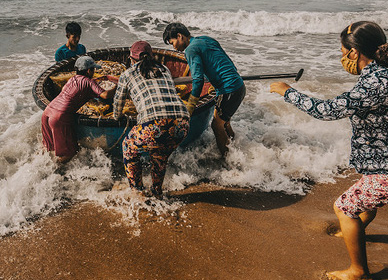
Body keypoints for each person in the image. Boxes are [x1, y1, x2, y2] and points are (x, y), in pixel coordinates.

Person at [269, 21, 388, 280]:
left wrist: (288, 92)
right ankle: (356, 229)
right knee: (361, 198)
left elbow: (327, 111)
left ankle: (359, 272)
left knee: (344, 208)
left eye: (342, 50)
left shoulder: (374, 83)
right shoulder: (386, 72)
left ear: (354, 53)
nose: (340, 56)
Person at [113, 41, 190, 197]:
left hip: (154, 124)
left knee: (128, 147)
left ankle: (138, 191)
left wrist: (117, 116)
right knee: (160, 154)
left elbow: (118, 105)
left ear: (131, 58)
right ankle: (156, 191)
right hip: (182, 122)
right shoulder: (164, 69)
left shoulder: (127, 74)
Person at [163, 23, 244, 156]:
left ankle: (227, 160)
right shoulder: (206, 39)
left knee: (216, 126)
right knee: (224, 121)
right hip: (238, 85)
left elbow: (198, 80)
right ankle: (236, 150)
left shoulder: (190, 50)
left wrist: (191, 105)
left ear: (179, 36)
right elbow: (225, 60)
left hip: (228, 90)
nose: (174, 47)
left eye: (172, 43)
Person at [42, 56, 115, 164]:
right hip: (60, 117)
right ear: (89, 71)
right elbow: (105, 95)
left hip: (47, 112)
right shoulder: (89, 82)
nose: (94, 72)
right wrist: (118, 87)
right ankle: (54, 171)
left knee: (48, 148)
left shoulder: (72, 79)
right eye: (93, 70)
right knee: (71, 152)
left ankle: (38, 166)